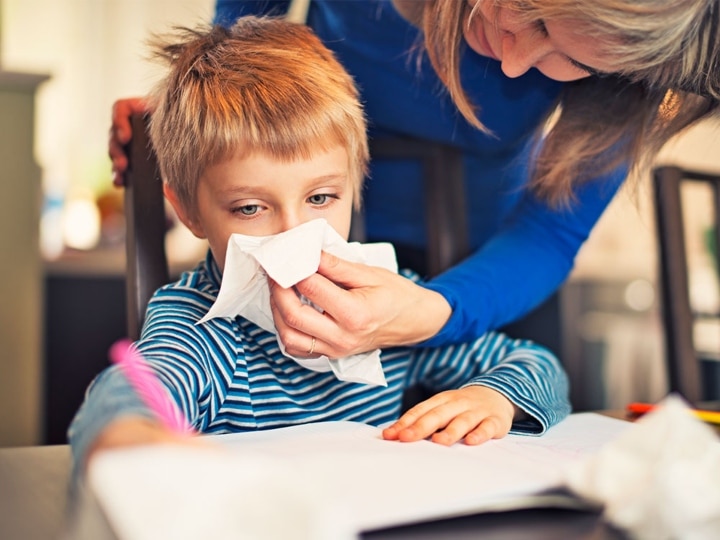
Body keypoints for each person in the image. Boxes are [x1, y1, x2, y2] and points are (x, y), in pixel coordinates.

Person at [69, 15, 570, 470]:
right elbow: (134, 390)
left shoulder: (384, 306)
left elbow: (535, 364)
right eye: (250, 207)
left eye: (321, 197)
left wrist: (493, 398)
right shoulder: (198, 326)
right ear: (189, 212)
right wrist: (129, 432)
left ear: (355, 190)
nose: (297, 235)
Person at [109, 0, 720, 363]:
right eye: (530, 9)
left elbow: (550, 237)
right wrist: (201, 123)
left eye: (574, 60)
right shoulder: (193, 336)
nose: (510, 61)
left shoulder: (641, 65)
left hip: (480, 278)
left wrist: (439, 312)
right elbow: (141, 395)